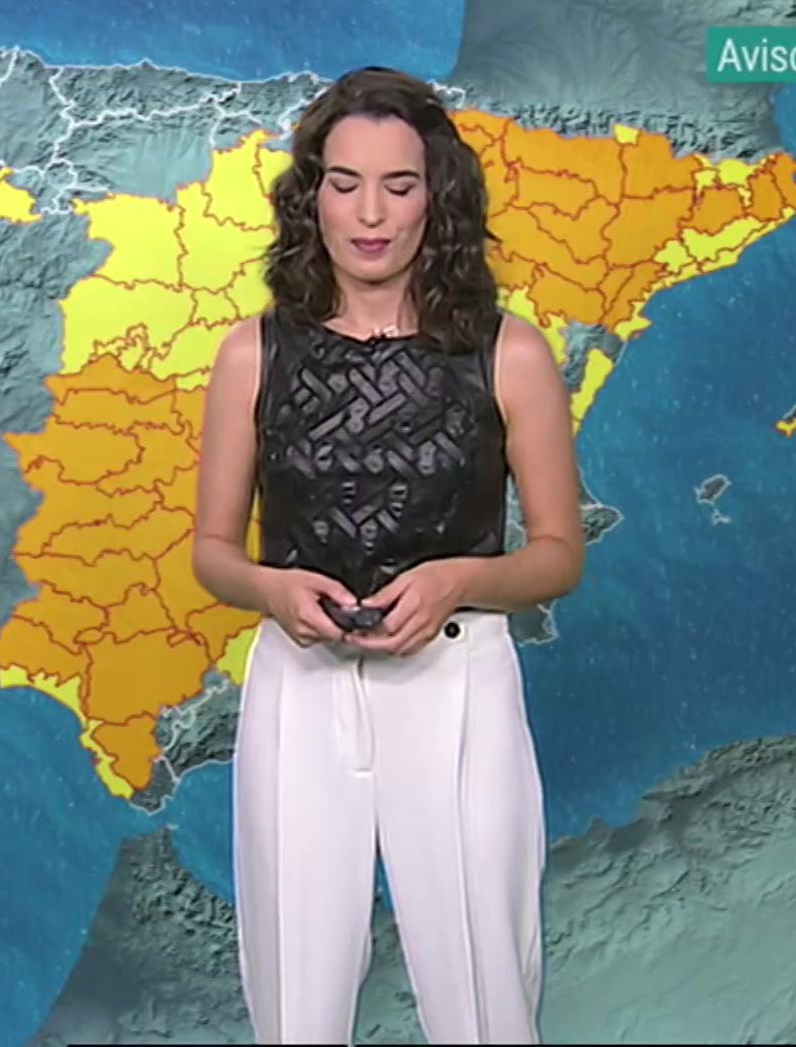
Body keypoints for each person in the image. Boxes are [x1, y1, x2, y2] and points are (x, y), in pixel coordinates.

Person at [191, 65, 587, 1045]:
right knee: (294, 999)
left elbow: (557, 555)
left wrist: (462, 580)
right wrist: (270, 588)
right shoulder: (251, 355)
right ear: (313, 195)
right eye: (345, 183)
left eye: (398, 186)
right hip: (300, 688)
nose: (370, 214)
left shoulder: (510, 354)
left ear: (435, 198)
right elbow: (212, 553)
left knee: (485, 998)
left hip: (457, 684)